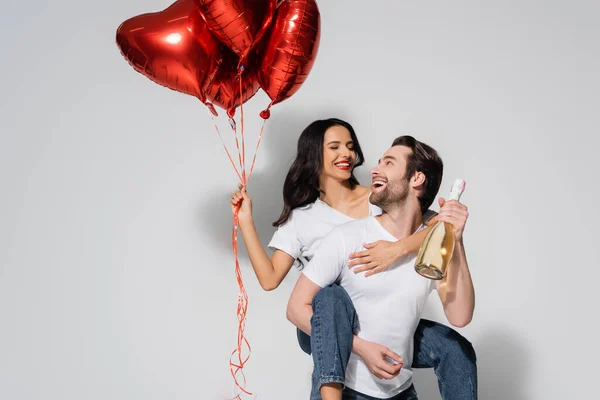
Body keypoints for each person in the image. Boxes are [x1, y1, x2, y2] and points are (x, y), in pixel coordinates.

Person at [230, 119, 477, 400]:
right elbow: (272, 279)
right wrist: (245, 220)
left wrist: (401, 248)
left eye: (350, 146)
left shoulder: (376, 199)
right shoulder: (310, 221)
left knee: (454, 348)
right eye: (334, 147)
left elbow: (428, 225)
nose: (346, 154)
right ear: (314, 156)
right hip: (326, 320)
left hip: (386, 316)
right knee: (331, 297)